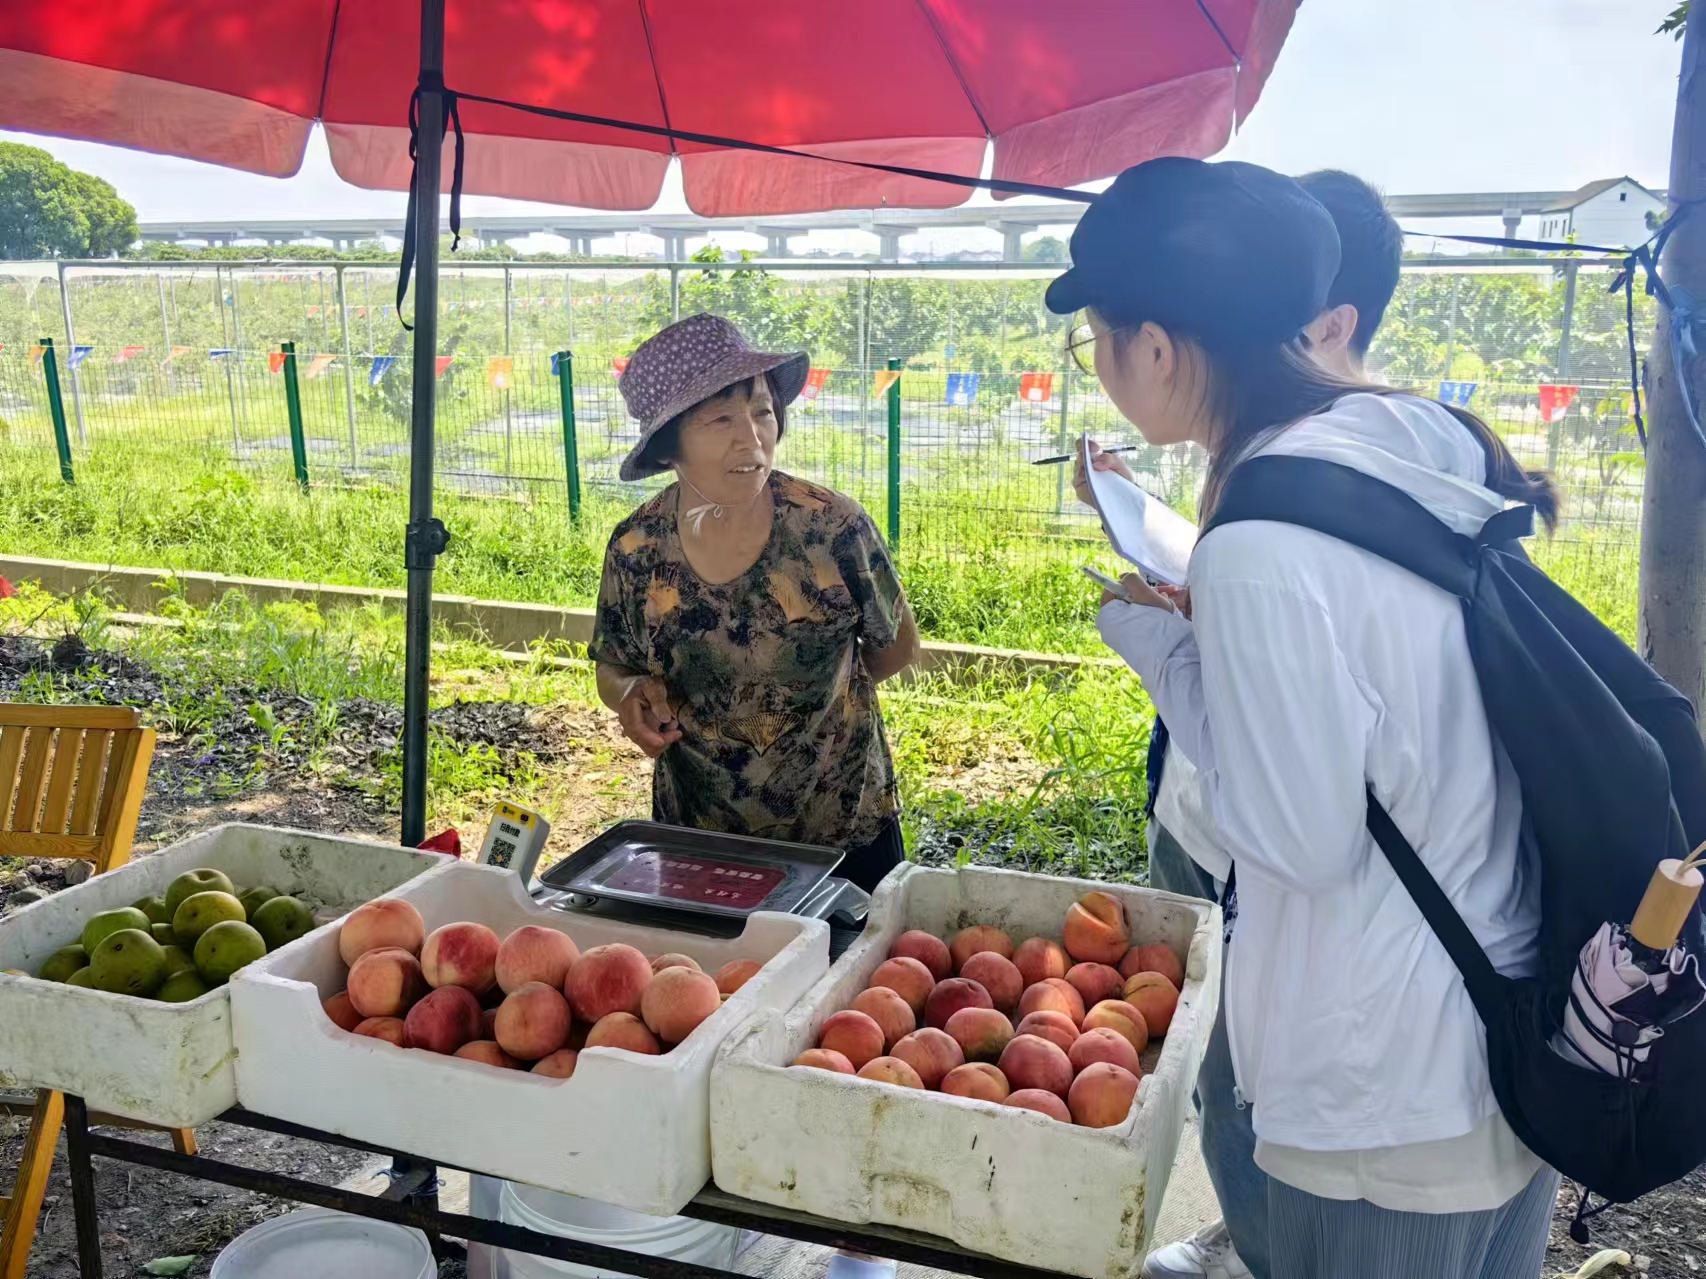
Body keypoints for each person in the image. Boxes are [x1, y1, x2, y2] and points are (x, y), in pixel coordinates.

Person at [1051, 157, 1559, 1279]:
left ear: (1159, 347)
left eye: (1096, 334)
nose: (1097, 361)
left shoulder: (1261, 541)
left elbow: (1293, 838)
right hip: (1500, 1021)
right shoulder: (1417, 443)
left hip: (1383, 1090)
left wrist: (1157, 643)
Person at [1131, 169, 1406, 1279]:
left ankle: (1270, 1246)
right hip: (1201, 803)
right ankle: (1245, 1230)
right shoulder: (1258, 450)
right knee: (1208, 1050)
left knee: (1264, 1059)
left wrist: (1195, 629)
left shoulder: (1362, 477)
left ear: (1328, 322)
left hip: (1279, 856)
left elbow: (1310, 805)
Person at [589, 313, 921, 892]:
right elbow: (614, 665)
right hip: (701, 837)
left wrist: (819, 707)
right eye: (720, 419)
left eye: (762, 411)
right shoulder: (637, 548)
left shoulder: (831, 527)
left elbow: (896, 645)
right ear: (670, 446)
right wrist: (629, 697)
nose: (751, 438)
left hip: (844, 831)